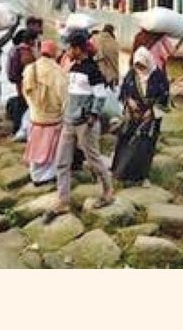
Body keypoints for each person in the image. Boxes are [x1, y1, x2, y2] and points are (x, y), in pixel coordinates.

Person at [43, 30, 114, 223]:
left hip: (85, 123)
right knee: (62, 162)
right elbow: (71, 95)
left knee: (93, 160)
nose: (67, 51)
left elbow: (101, 95)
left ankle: (108, 192)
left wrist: (92, 116)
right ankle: (63, 200)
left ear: (78, 49)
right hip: (69, 122)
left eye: (70, 48)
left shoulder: (93, 70)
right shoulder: (74, 68)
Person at [111, 47, 170, 184]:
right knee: (125, 140)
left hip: (150, 116)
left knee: (144, 145)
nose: (140, 69)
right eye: (137, 66)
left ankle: (140, 176)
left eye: (142, 66)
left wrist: (152, 112)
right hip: (134, 113)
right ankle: (120, 172)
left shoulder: (159, 77)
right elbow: (124, 90)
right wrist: (129, 101)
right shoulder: (132, 74)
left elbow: (165, 98)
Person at [22, 40, 68, 185]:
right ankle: (48, 176)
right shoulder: (58, 72)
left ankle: (35, 175)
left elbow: (26, 92)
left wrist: (33, 106)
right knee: (51, 150)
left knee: (35, 147)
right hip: (53, 119)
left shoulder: (31, 69)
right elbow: (64, 98)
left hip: (35, 116)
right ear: (54, 53)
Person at [7, 29, 37, 138]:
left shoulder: (15, 49)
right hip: (24, 82)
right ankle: (19, 128)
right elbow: (29, 67)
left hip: (18, 81)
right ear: (30, 40)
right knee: (23, 104)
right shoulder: (25, 51)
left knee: (21, 103)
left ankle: (17, 128)